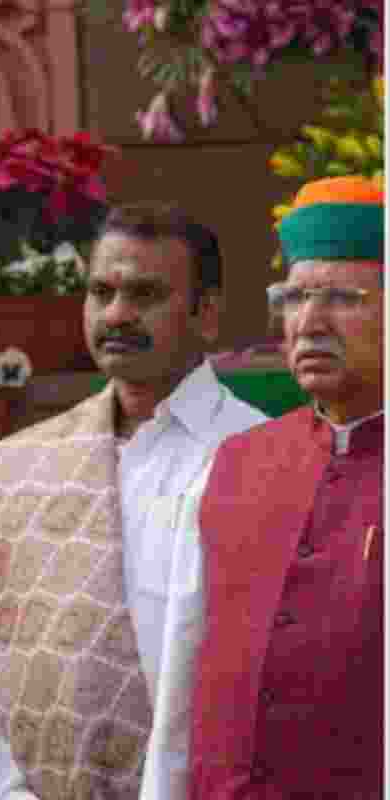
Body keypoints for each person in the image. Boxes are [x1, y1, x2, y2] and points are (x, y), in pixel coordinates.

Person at [0, 205, 268, 800]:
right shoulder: (24, 469)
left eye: (145, 295)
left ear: (207, 315)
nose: (116, 314)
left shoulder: (263, 457)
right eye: (101, 292)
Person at [185, 176, 383, 798]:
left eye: (342, 298)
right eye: (294, 298)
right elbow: (185, 675)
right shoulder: (235, 463)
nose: (310, 322)